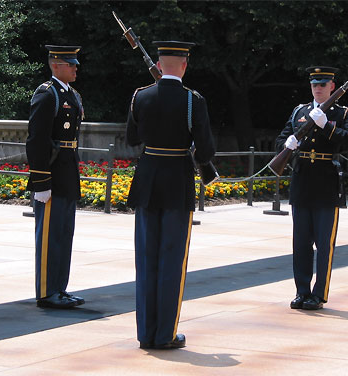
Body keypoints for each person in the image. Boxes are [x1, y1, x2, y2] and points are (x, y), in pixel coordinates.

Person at [126, 41, 215, 349]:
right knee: (171, 260)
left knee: (146, 258)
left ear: (160, 65)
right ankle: (165, 334)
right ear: (185, 65)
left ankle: (145, 334)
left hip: (148, 180)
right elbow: (206, 150)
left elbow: (131, 139)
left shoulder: (140, 96)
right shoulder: (193, 101)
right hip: (177, 182)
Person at [275, 66, 348, 310]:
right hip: (302, 182)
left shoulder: (343, 112)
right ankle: (302, 291)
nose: (318, 88)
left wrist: (328, 127)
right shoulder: (299, 112)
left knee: (324, 244)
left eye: (323, 84)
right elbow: (281, 141)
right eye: (315, 84)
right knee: (300, 243)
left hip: (326, 184)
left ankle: (318, 294)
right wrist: (288, 143)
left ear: (332, 86)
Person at [26, 45, 85, 309]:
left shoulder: (72, 95)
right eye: (70, 64)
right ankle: (47, 292)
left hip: (67, 173)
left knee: (63, 234)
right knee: (50, 236)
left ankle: (60, 288)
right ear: (56, 65)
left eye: (75, 63)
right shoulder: (47, 94)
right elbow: (37, 140)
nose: (75, 68)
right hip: (51, 174)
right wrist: (41, 182)